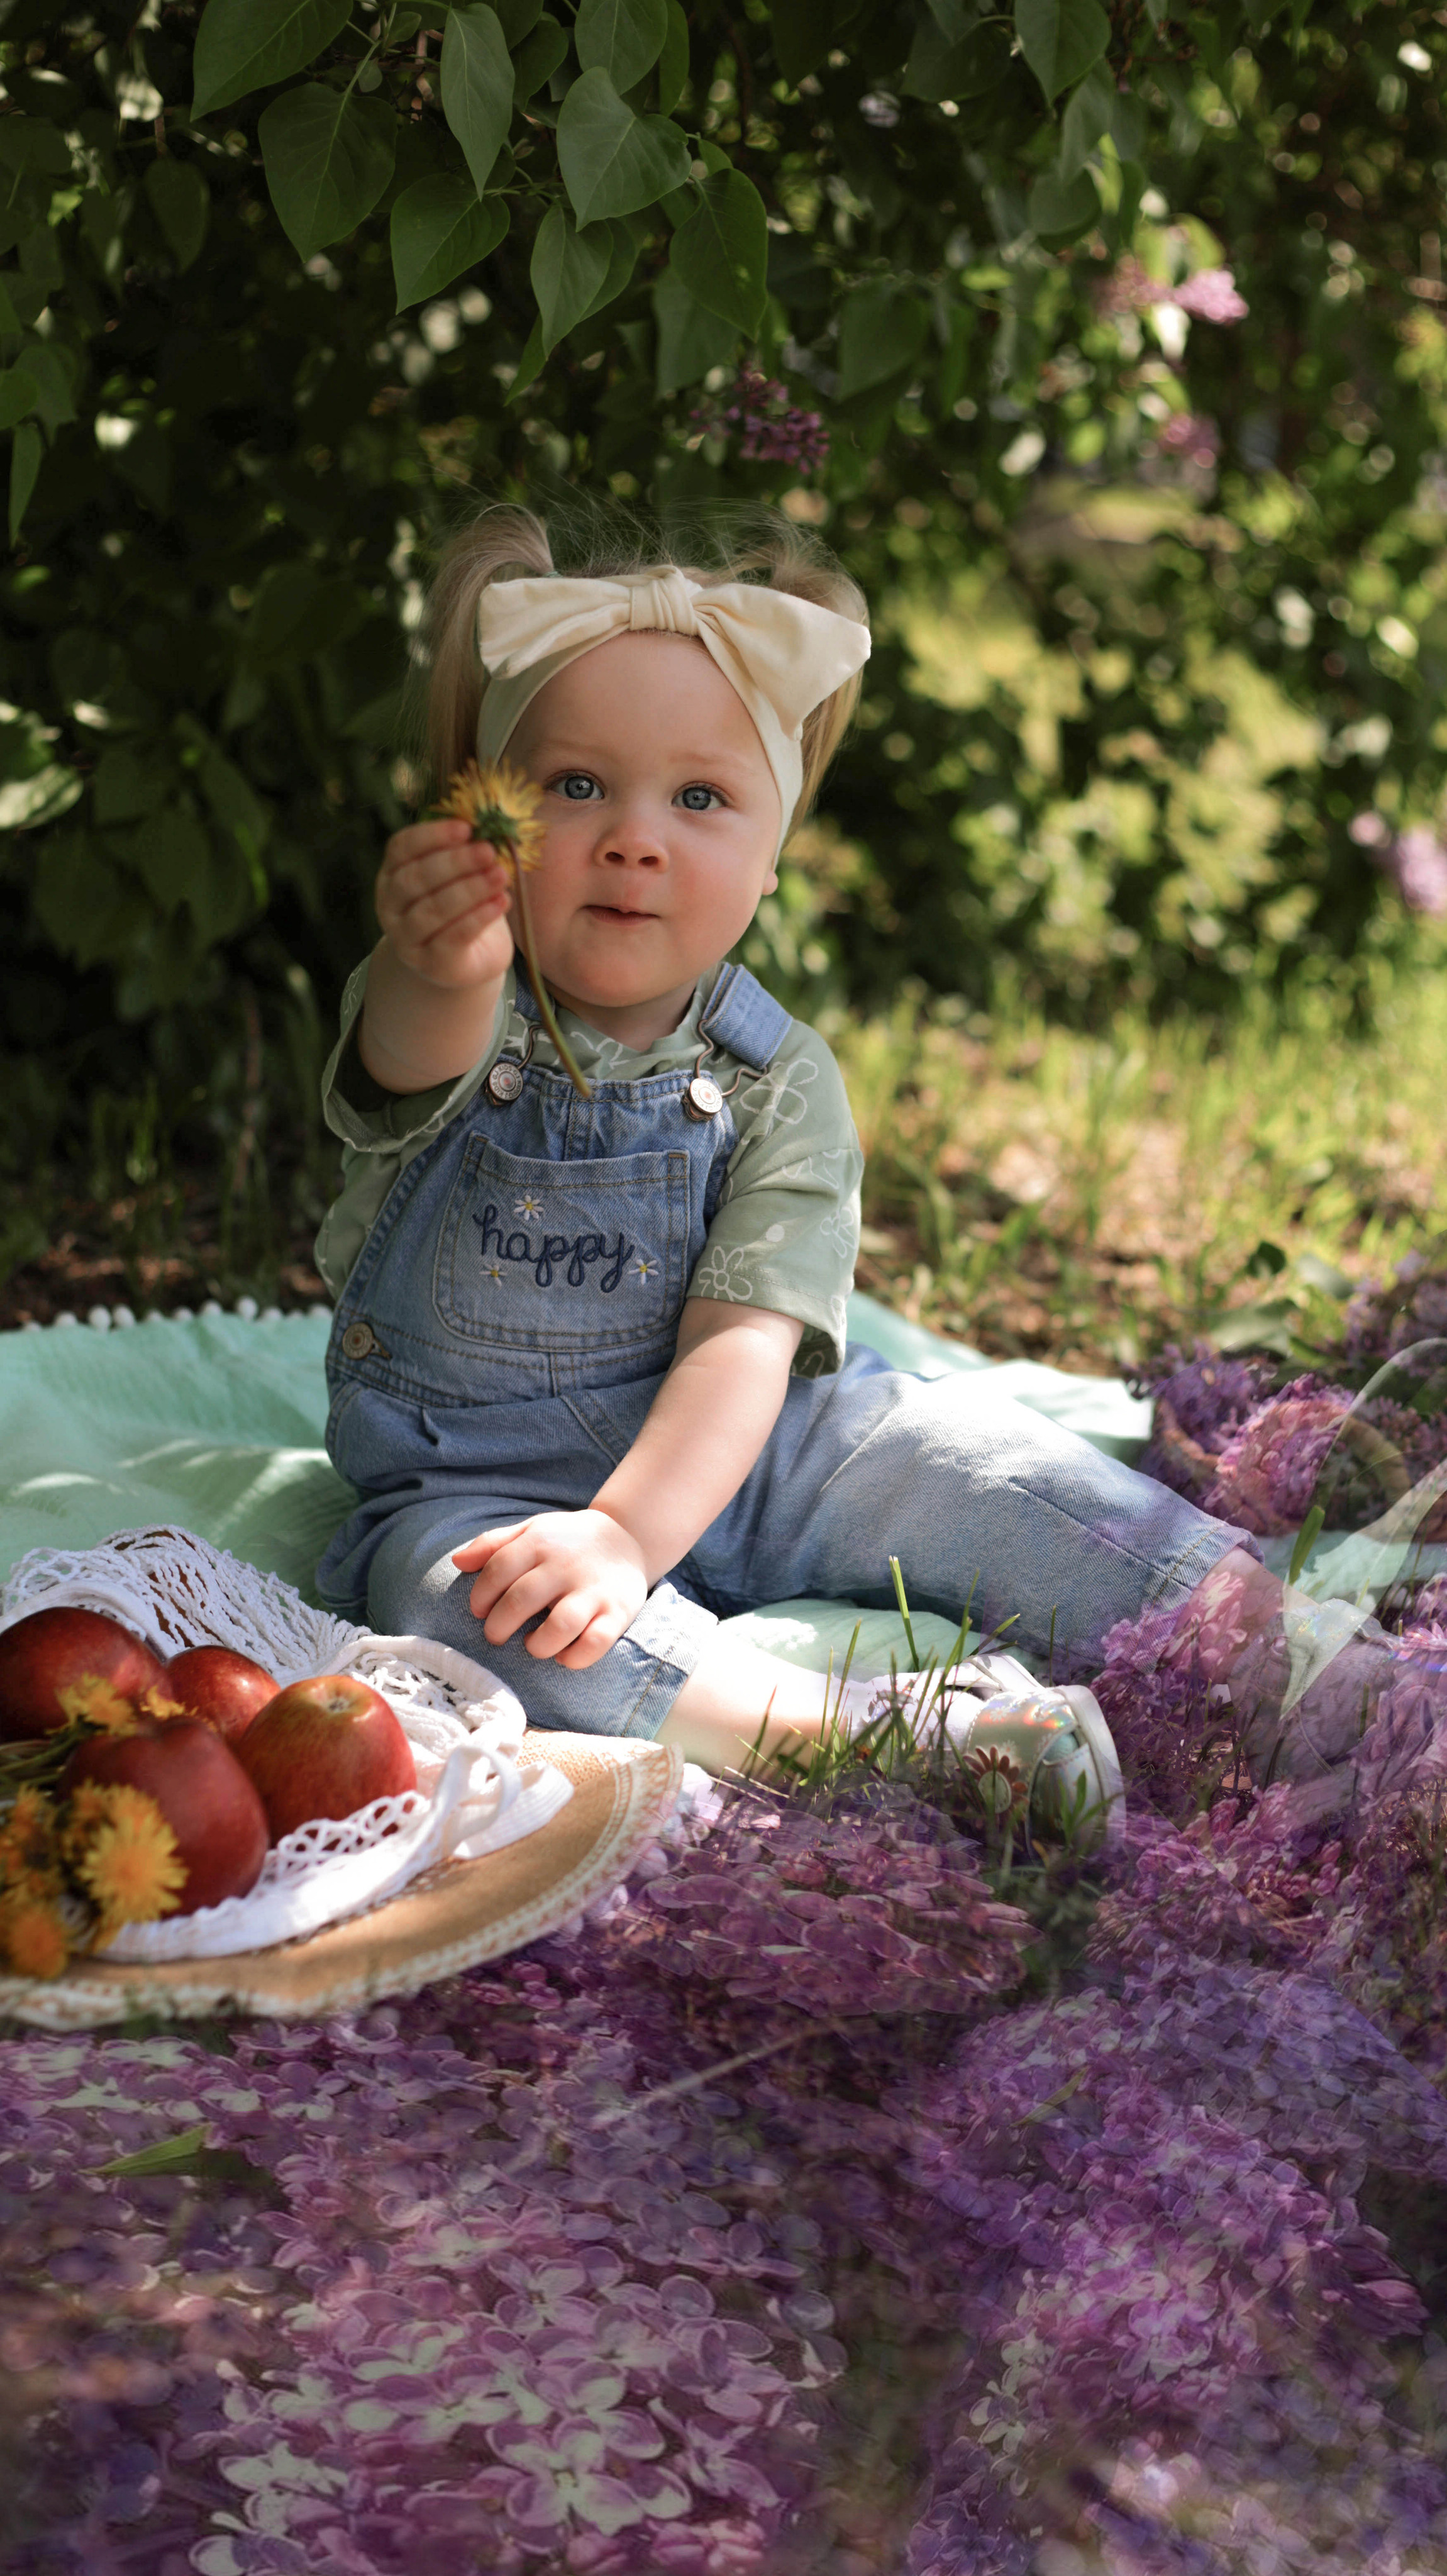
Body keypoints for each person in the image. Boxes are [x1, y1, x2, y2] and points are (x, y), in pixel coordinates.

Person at [312, 502, 1391, 1815]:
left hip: (757, 1437)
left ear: (770, 858)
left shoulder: (776, 1080)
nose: (633, 835)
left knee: (975, 1459)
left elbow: (740, 1343)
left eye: (699, 797)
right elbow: (406, 1058)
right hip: (479, 1477)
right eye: (573, 786)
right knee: (448, 1611)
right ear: (488, 825)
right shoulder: (459, 1004)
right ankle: (892, 1739)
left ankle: (1296, 1658)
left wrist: (628, 1533)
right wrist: (436, 960)